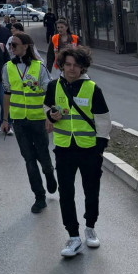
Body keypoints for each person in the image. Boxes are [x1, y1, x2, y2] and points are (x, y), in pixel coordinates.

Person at [44, 46, 110, 258]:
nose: (71, 69)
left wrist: (99, 149)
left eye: (76, 65)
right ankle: (73, 236)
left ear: (83, 67)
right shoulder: (53, 86)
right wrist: (51, 115)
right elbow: (47, 108)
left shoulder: (93, 89)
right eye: (68, 65)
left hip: (89, 149)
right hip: (64, 148)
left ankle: (90, 227)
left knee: (91, 191)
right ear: (62, 66)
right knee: (66, 193)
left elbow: (103, 122)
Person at [2, 32, 57, 214]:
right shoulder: (8, 67)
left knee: (43, 156)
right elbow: (7, 94)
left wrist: (49, 117)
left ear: (26, 46)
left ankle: (49, 173)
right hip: (19, 121)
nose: (11, 48)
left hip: (38, 120)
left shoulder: (39, 67)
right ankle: (39, 197)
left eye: (15, 45)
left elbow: (50, 93)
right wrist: (5, 119)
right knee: (29, 159)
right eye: (10, 45)